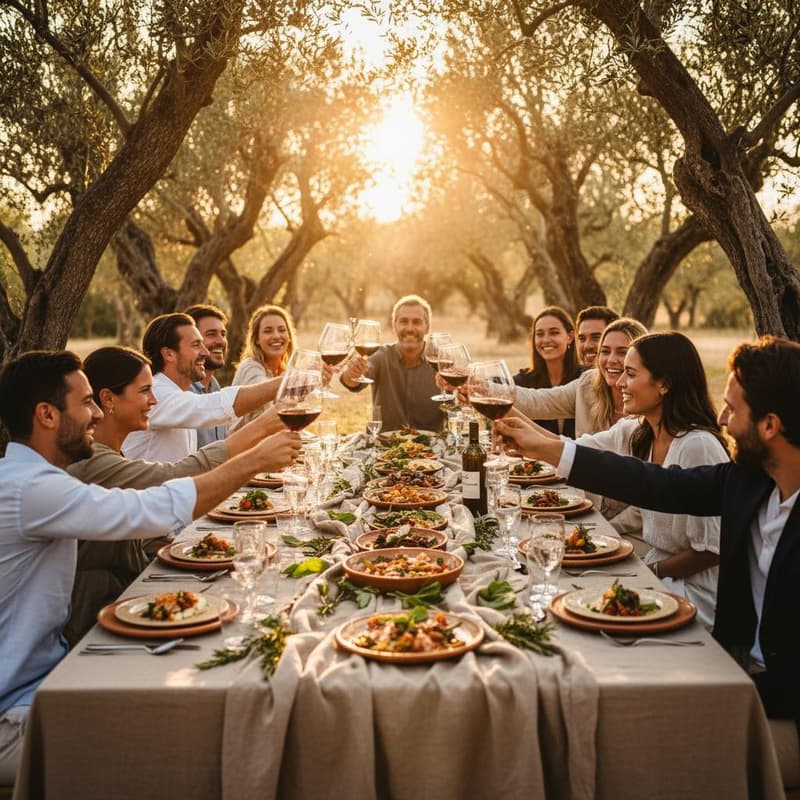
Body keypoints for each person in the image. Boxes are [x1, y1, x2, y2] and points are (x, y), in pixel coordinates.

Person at [0, 351, 301, 783]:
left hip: (49, 678)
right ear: (46, 415)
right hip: (15, 715)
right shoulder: (31, 490)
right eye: (85, 403)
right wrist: (253, 460)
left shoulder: (32, 480)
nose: (94, 414)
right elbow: (150, 509)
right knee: (180, 733)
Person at [495, 335, 800, 731]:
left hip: (775, 706)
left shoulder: (725, 462)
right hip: (739, 672)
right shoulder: (752, 483)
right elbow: (653, 483)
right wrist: (548, 448)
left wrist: (724, 695)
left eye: (731, 410)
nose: (722, 421)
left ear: (770, 425)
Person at [65, 345, 286, 644]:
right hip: (96, 617)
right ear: (108, 399)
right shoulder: (92, 461)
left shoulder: (113, 452)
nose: (153, 401)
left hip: (125, 595)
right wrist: (263, 435)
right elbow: (174, 477)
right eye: (145, 391)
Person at [569, 332, 729, 627]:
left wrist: (647, 571)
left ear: (664, 384)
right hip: (658, 572)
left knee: (592, 608)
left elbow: (710, 551)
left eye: (630, 374)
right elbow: (572, 450)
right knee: (577, 590)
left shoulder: (697, 446)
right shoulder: (639, 432)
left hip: (697, 592)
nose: (619, 383)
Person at [122, 313, 283, 462]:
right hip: (149, 492)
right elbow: (214, 406)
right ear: (169, 354)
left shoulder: (179, 393)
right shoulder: (156, 393)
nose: (205, 352)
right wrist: (287, 382)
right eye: (196, 345)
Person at [514, 317, 648, 437]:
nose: (611, 359)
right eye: (605, 351)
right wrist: (493, 391)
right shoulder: (588, 384)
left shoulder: (651, 401)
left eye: (622, 352)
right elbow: (535, 402)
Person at [340, 294, 443, 432]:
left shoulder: (442, 361)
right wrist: (352, 373)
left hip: (433, 448)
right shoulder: (380, 356)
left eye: (417, 322)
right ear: (394, 325)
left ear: (427, 327)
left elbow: (458, 399)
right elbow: (351, 382)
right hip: (384, 448)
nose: (410, 328)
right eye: (404, 321)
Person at [513, 306, 584, 438]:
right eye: (540, 334)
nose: (546, 340)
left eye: (554, 332)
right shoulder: (524, 380)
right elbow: (499, 388)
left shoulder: (585, 378)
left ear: (570, 337)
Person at [231, 304, 297, 428]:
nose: (276, 336)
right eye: (268, 331)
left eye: (282, 330)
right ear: (256, 339)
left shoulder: (284, 369)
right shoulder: (250, 367)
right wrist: (304, 379)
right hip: (245, 445)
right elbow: (266, 395)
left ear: (289, 337)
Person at [185, 303, 229, 447]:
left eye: (223, 334)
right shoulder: (184, 392)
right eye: (211, 334)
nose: (221, 341)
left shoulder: (215, 387)